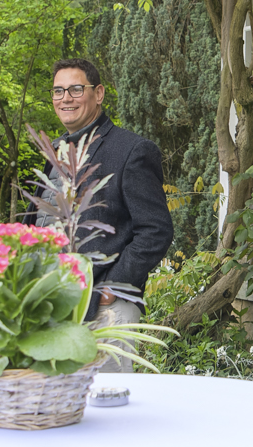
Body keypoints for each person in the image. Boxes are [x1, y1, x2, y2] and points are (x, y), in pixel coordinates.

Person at [48, 58, 172, 327]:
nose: (65, 98)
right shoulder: (56, 152)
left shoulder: (131, 151)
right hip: (53, 310)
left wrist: (110, 289)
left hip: (104, 313)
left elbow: (156, 230)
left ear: (99, 93)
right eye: (58, 91)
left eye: (76, 89)